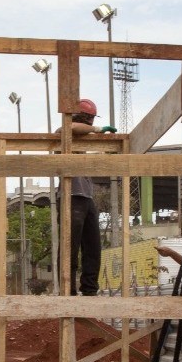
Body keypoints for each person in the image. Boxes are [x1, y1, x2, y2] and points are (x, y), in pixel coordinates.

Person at [56, 98, 117, 296]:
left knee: (93, 247)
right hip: (70, 196)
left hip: (87, 198)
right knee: (70, 247)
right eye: (89, 118)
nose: (91, 122)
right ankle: (68, 291)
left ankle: (89, 289)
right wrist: (98, 130)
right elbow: (70, 127)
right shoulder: (64, 131)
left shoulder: (84, 139)